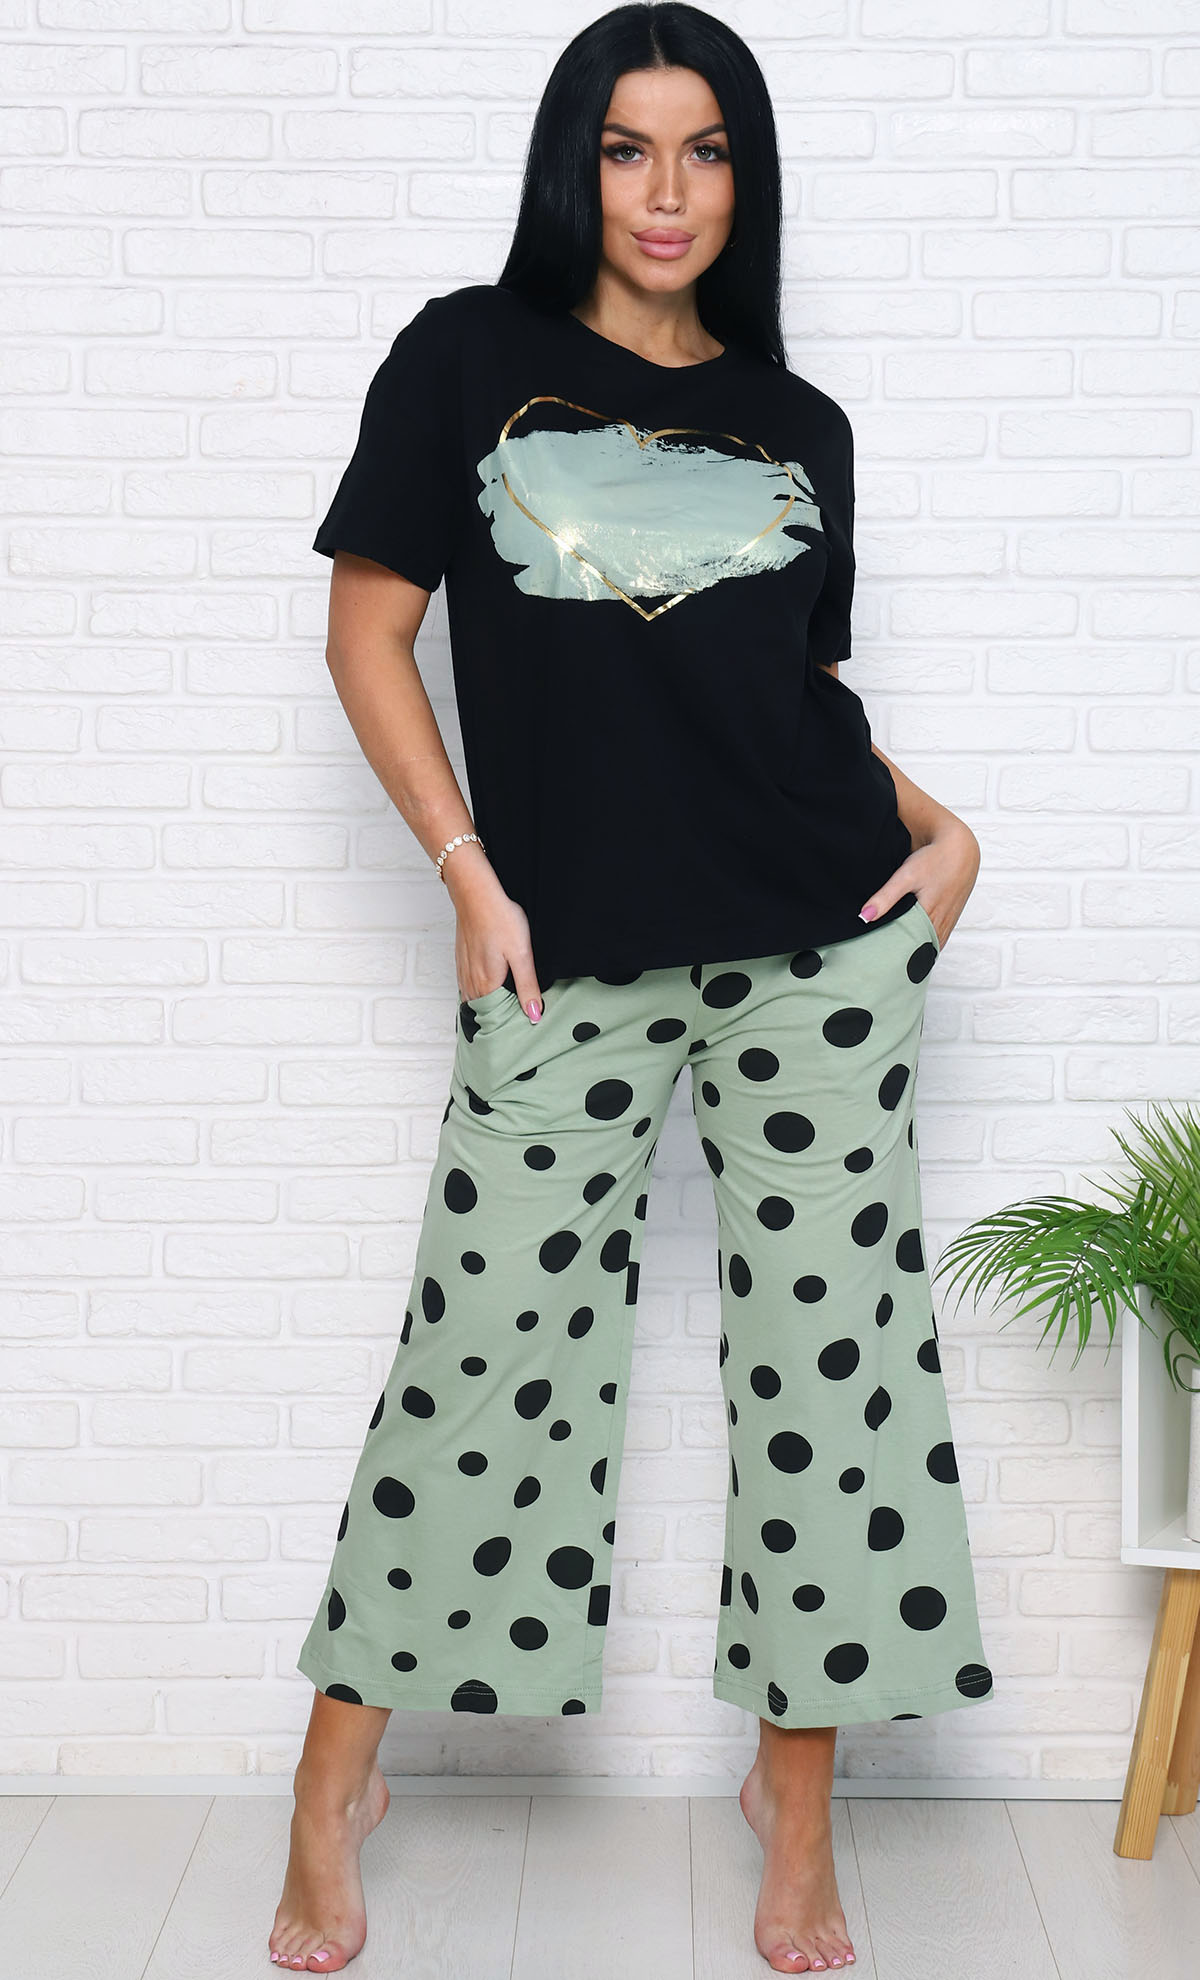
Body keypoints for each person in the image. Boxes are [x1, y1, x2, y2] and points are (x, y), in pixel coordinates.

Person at [268, 5, 993, 1973]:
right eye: (626, 147)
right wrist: (464, 868)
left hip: (816, 957)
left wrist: (943, 835)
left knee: (835, 1381)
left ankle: (797, 1806)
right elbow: (368, 634)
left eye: (705, 150)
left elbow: (778, 698)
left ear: (745, 179)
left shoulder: (798, 423)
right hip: (562, 948)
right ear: (573, 165)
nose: (667, 191)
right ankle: (335, 1781)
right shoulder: (466, 358)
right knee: (484, 1358)